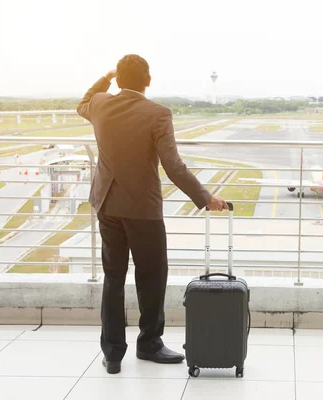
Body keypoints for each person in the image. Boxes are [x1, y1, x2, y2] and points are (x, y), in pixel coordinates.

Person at [77, 54, 228, 374]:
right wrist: (205, 197)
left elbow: (84, 101)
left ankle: (113, 353)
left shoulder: (101, 104)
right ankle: (149, 344)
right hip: (143, 209)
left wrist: (107, 78)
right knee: (152, 276)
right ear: (148, 81)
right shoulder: (158, 113)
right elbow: (174, 166)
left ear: (118, 79)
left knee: (113, 278)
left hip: (107, 206)